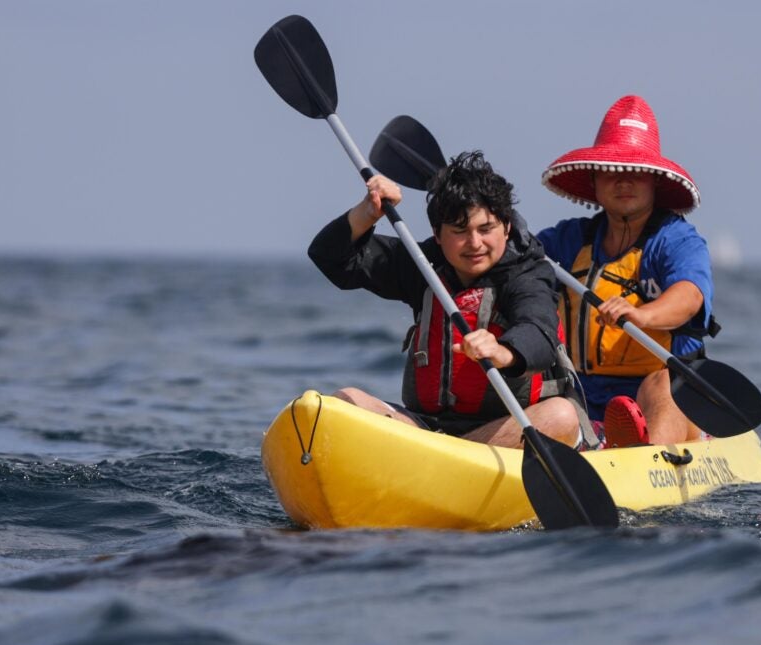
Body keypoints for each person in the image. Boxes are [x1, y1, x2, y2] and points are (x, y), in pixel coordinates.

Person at [308, 151, 583, 448]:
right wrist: (367, 212)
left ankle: (435, 462)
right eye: (460, 231)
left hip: (507, 430)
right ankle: (432, 461)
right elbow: (330, 257)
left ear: (506, 227)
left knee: (561, 416)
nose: (475, 243)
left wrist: (504, 351)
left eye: (486, 229)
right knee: (347, 400)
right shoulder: (425, 266)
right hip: (429, 431)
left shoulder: (527, 274)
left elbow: (538, 331)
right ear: (438, 235)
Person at [537, 95, 719, 447]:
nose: (624, 182)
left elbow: (689, 296)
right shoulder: (567, 240)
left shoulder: (676, 240)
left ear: (654, 182)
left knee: (662, 383)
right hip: (581, 398)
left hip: (658, 395)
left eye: (636, 172)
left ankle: (646, 451)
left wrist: (642, 315)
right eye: (612, 171)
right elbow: (511, 257)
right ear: (594, 180)